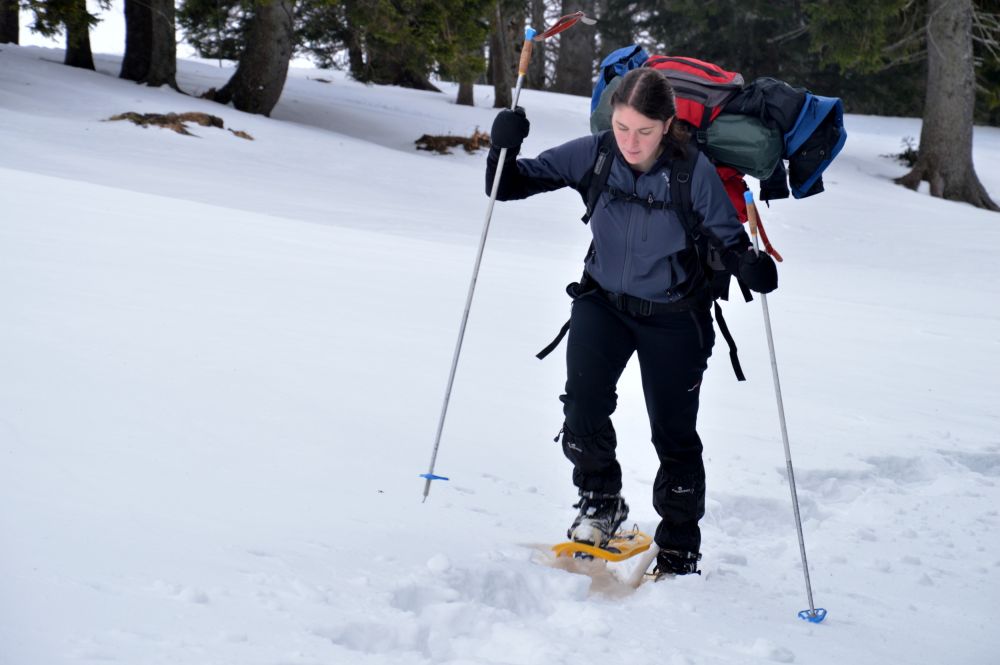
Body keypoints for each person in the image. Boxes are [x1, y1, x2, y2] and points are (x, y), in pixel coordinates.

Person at [485, 68, 777, 577]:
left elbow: (730, 246)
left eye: (644, 131)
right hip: (603, 303)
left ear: (668, 124)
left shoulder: (692, 171)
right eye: (622, 127)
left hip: (674, 317)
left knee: (674, 433)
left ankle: (680, 543)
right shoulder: (596, 153)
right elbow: (504, 187)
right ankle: (602, 504)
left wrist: (752, 266)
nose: (631, 142)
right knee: (581, 409)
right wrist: (501, 147)